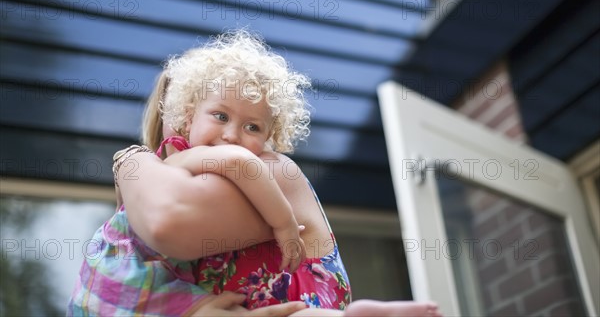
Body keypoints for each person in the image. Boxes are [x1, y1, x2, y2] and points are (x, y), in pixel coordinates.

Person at [70, 30, 442, 317]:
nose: (232, 135)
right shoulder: (176, 163)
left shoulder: (270, 167)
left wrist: (131, 163)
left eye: (252, 126)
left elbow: (175, 218)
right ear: (184, 115)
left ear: (271, 134)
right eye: (219, 115)